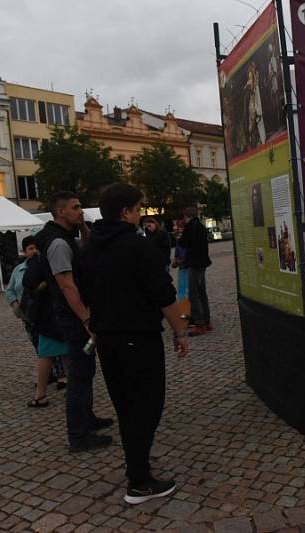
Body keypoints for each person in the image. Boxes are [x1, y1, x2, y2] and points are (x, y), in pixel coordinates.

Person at [82, 183, 190, 505]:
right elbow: (163, 293)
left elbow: (85, 294)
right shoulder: (136, 246)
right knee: (147, 405)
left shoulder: (89, 248)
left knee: (126, 406)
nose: (141, 214)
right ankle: (139, 482)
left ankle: (136, 467)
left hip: (107, 340)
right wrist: (180, 332)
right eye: (139, 208)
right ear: (126, 212)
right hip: (138, 338)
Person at [36, 191, 113, 452]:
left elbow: (90, 250)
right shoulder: (58, 243)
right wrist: (86, 318)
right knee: (79, 375)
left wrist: (82, 226)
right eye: (76, 208)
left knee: (85, 371)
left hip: (74, 317)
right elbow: (67, 285)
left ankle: (87, 420)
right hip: (73, 318)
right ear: (60, 212)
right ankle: (78, 436)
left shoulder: (66, 236)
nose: (81, 211)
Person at [5, 236, 66, 406]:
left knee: (53, 350)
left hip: (45, 316)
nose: (33, 251)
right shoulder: (19, 270)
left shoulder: (44, 266)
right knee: (42, 349)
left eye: (35, 248)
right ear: (25, 252)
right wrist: (15, 305)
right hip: (28, 317)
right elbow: (10, 290)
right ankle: (53, 379)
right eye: (30, 249)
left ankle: (60, 379)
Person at [178, 206, 213, 336]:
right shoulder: (201, 226)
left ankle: (199, 323)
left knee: (193, 294)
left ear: (187, 216)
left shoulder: (190, 227)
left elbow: (183, 243)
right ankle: (207, 320)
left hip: (195, 263)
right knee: (202, 292)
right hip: (203, 263)